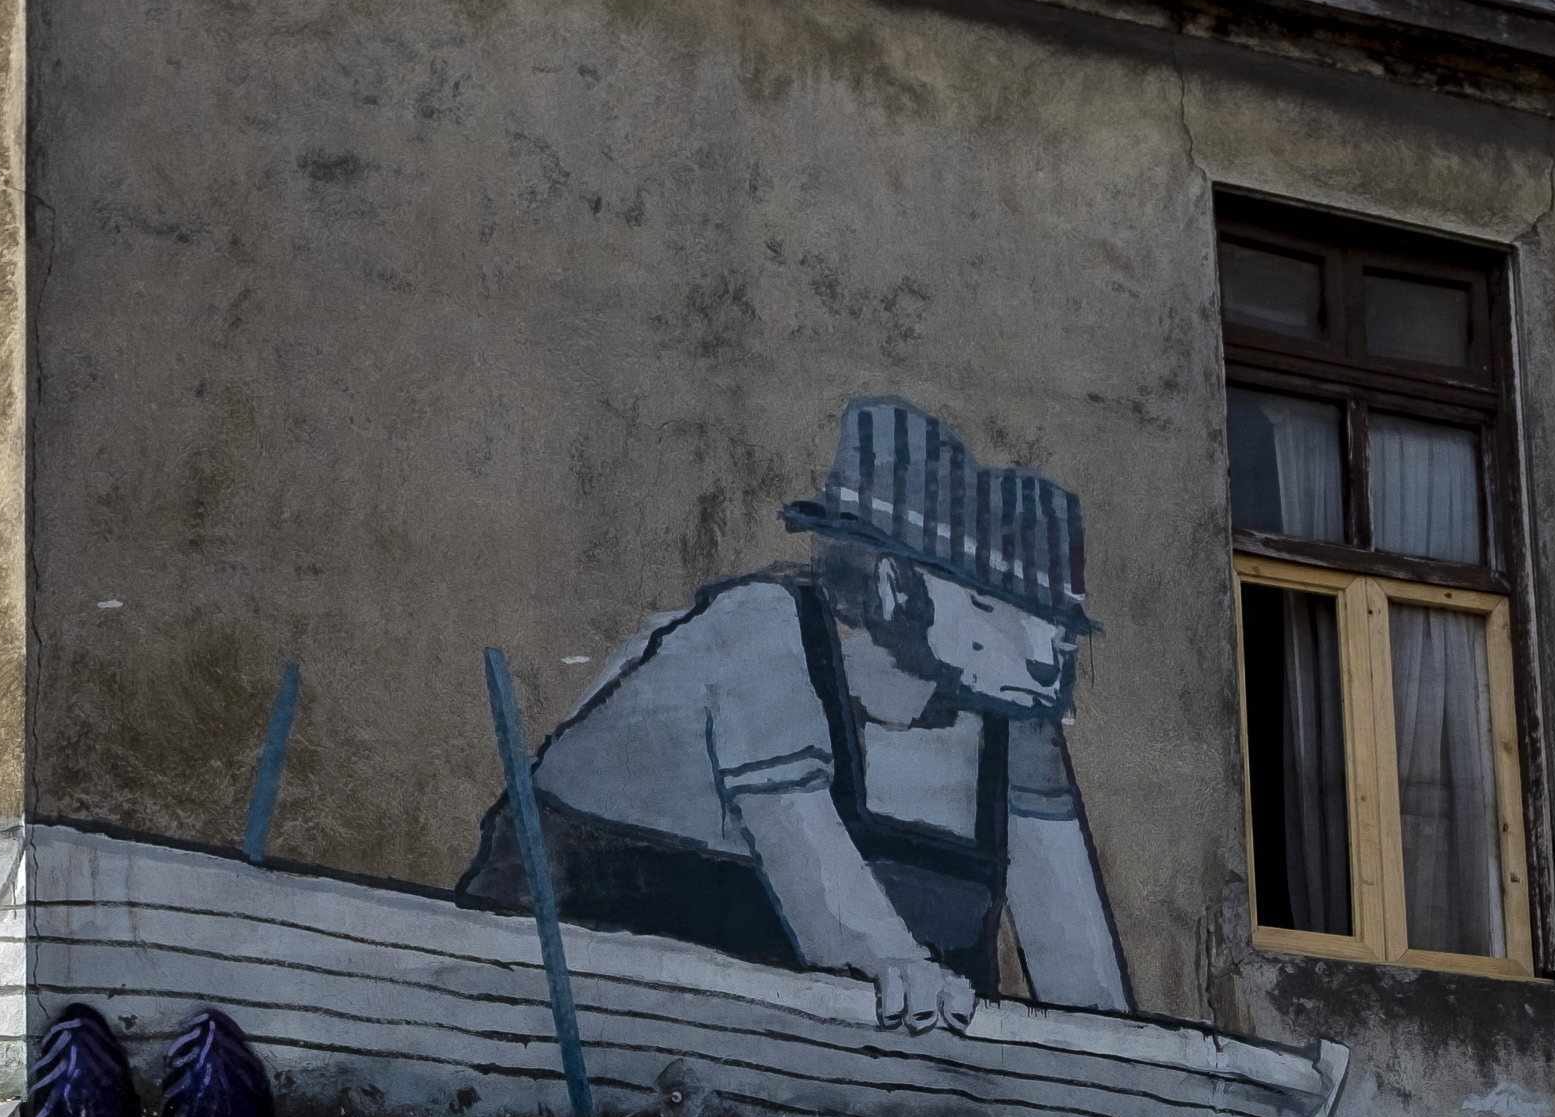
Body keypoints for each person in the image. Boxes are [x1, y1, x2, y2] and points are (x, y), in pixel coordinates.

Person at [461, 398, 1131, 1033]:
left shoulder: (1014, 714)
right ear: (898, 584)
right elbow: (840, 927)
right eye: (991, 607)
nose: (1046, 659)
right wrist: (899, 969)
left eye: (1058, 632)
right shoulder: (758, 635)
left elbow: (1091, 999)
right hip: (547, 1027)